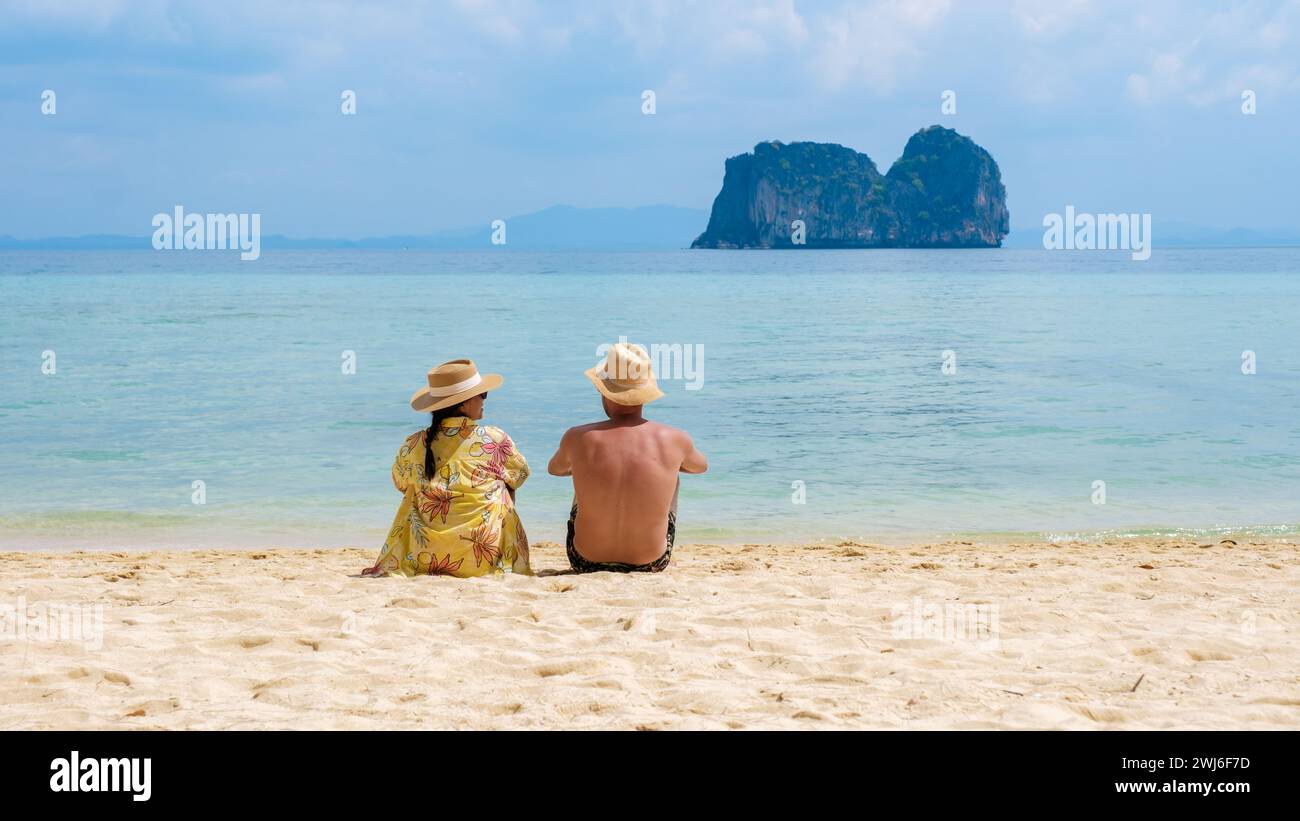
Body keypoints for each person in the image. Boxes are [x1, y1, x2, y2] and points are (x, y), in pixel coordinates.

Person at [547, 341, 707, 573]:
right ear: (645, 393)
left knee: (582, 471)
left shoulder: (577, 436)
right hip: (651, 562)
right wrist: (661, 465)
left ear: (605, 391)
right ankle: (647, 541)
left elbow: (556, 469)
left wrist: (589, 467)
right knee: (674, 476)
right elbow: (700, 467)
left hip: (585, 561)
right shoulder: (675, 438)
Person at [364, 359, 531, 577]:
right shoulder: (495, 439)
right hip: (481, 557)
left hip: (424, 555)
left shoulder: (414, 444)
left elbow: (400, 483)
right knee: (504, 483)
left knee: (415, 490)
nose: (484, 400)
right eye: (482, 394)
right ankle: (503, 558)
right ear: (463, 403)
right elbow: (521, 474)